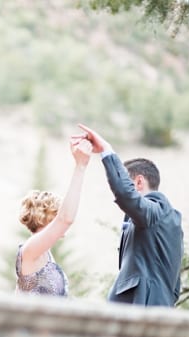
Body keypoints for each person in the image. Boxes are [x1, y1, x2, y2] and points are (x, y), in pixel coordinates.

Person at [73, 123, 183, 306]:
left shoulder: (157, 210)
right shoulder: (170, 221)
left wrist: (106, 151)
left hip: (141, 315)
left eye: (127, 180)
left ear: (139, 182)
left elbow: (126, 195)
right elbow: (175, 288)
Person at [15, 139, 92, 296]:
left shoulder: (45, 252)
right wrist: (80, 166)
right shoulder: (30, 249)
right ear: (44, 217)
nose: (61, 218)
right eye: (56, 214)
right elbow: (66, 219)